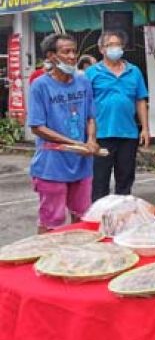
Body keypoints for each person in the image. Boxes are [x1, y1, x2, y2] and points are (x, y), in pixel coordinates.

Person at [27, 34, 99, 233]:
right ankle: (44, 258)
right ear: (51, 56)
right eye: (66, 51)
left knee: (83, 216)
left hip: (82, 164)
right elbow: (37, 126)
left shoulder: (83, 82)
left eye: (74, 51)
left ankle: (78, 260)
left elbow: (90, 117)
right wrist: (75, 144)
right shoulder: (40, 86)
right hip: (52, 165)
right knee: (52, 221)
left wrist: (91, 140)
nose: (72, 56)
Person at [85, 31, 150, 201]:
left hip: (128, 134)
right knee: (99, 182)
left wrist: (145, 128)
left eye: (118, 45)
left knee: (125, 180)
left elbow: (140, 101)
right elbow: (85, 104)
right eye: (110, 45)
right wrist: (89, 136)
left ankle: (122, 217)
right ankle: (98, 219)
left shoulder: (134, 71)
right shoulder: (92, 73)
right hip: (101, 134)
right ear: (101, 49)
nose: (115, 48)